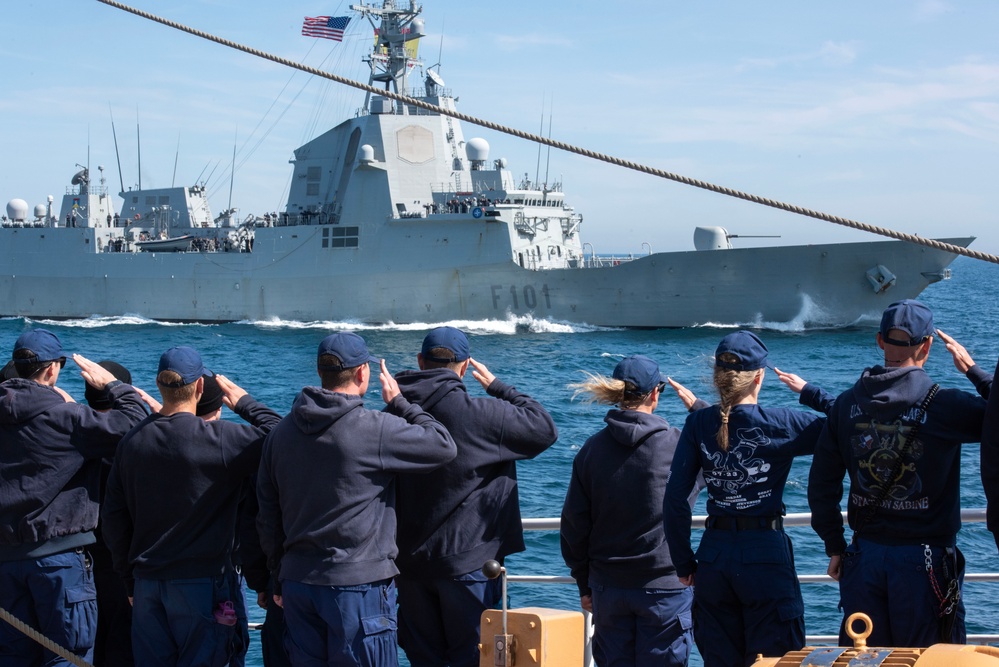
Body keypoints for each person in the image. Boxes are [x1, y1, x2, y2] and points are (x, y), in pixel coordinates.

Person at [256, 332, 457, 667]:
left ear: (320, 372)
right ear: (363, 373)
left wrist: (279, 573)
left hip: (297, 585)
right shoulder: (374, 428)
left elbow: (267, 513)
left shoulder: (281, 434)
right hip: (357, 588)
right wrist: (400, 402)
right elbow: (442, 445)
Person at [809, 300, 989, 647]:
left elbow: (821, 485)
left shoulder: (846, 405)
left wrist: (834, 545)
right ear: (928, 345)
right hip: (926, 562)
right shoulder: (945, 405)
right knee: (930, 657)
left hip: (863, 559)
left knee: (865, 657)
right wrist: (972, 369)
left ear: (879, 341)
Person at [101, 346, 282, 667]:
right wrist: (245, 403)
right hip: (203, 584)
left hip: (148, 586)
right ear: (200, 387)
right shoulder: (221, 439)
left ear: (159, 385)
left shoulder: (132, 441)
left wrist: (130, 583)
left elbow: (115, 519)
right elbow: (283, 439)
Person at [393, 327, 559, 667]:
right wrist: (499, 387)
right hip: (469, 565)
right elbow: (544, 429)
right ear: (466, 367)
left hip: (408, 567)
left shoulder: (393, 417)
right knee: (476, 658)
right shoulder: (484, 415)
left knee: (423, 659)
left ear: (420, 361)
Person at [663, 331, 825, 667]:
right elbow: (850, 422)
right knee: (777, 659)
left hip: (714, 555)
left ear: (716, 377)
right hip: (765, 553)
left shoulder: (698, 423)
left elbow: (675, 499)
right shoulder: (784, 423)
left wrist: (684, 563)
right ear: (759, 377)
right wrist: (811, 392)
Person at [0, 329, 147, 667]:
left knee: (12, 656)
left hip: (5, 559)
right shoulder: (65, 419)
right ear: (54, 368)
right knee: (68, 656)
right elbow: (134, 424)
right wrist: (113, 385)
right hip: (59, 561)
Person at [560, 355, 708, 667]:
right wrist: (700, 411)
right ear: (655, 393)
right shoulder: (679, 446)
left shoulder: (591, 450)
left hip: (608, 588)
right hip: (666, 588)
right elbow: (728, 447)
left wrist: (584, 583)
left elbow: (574, 527)